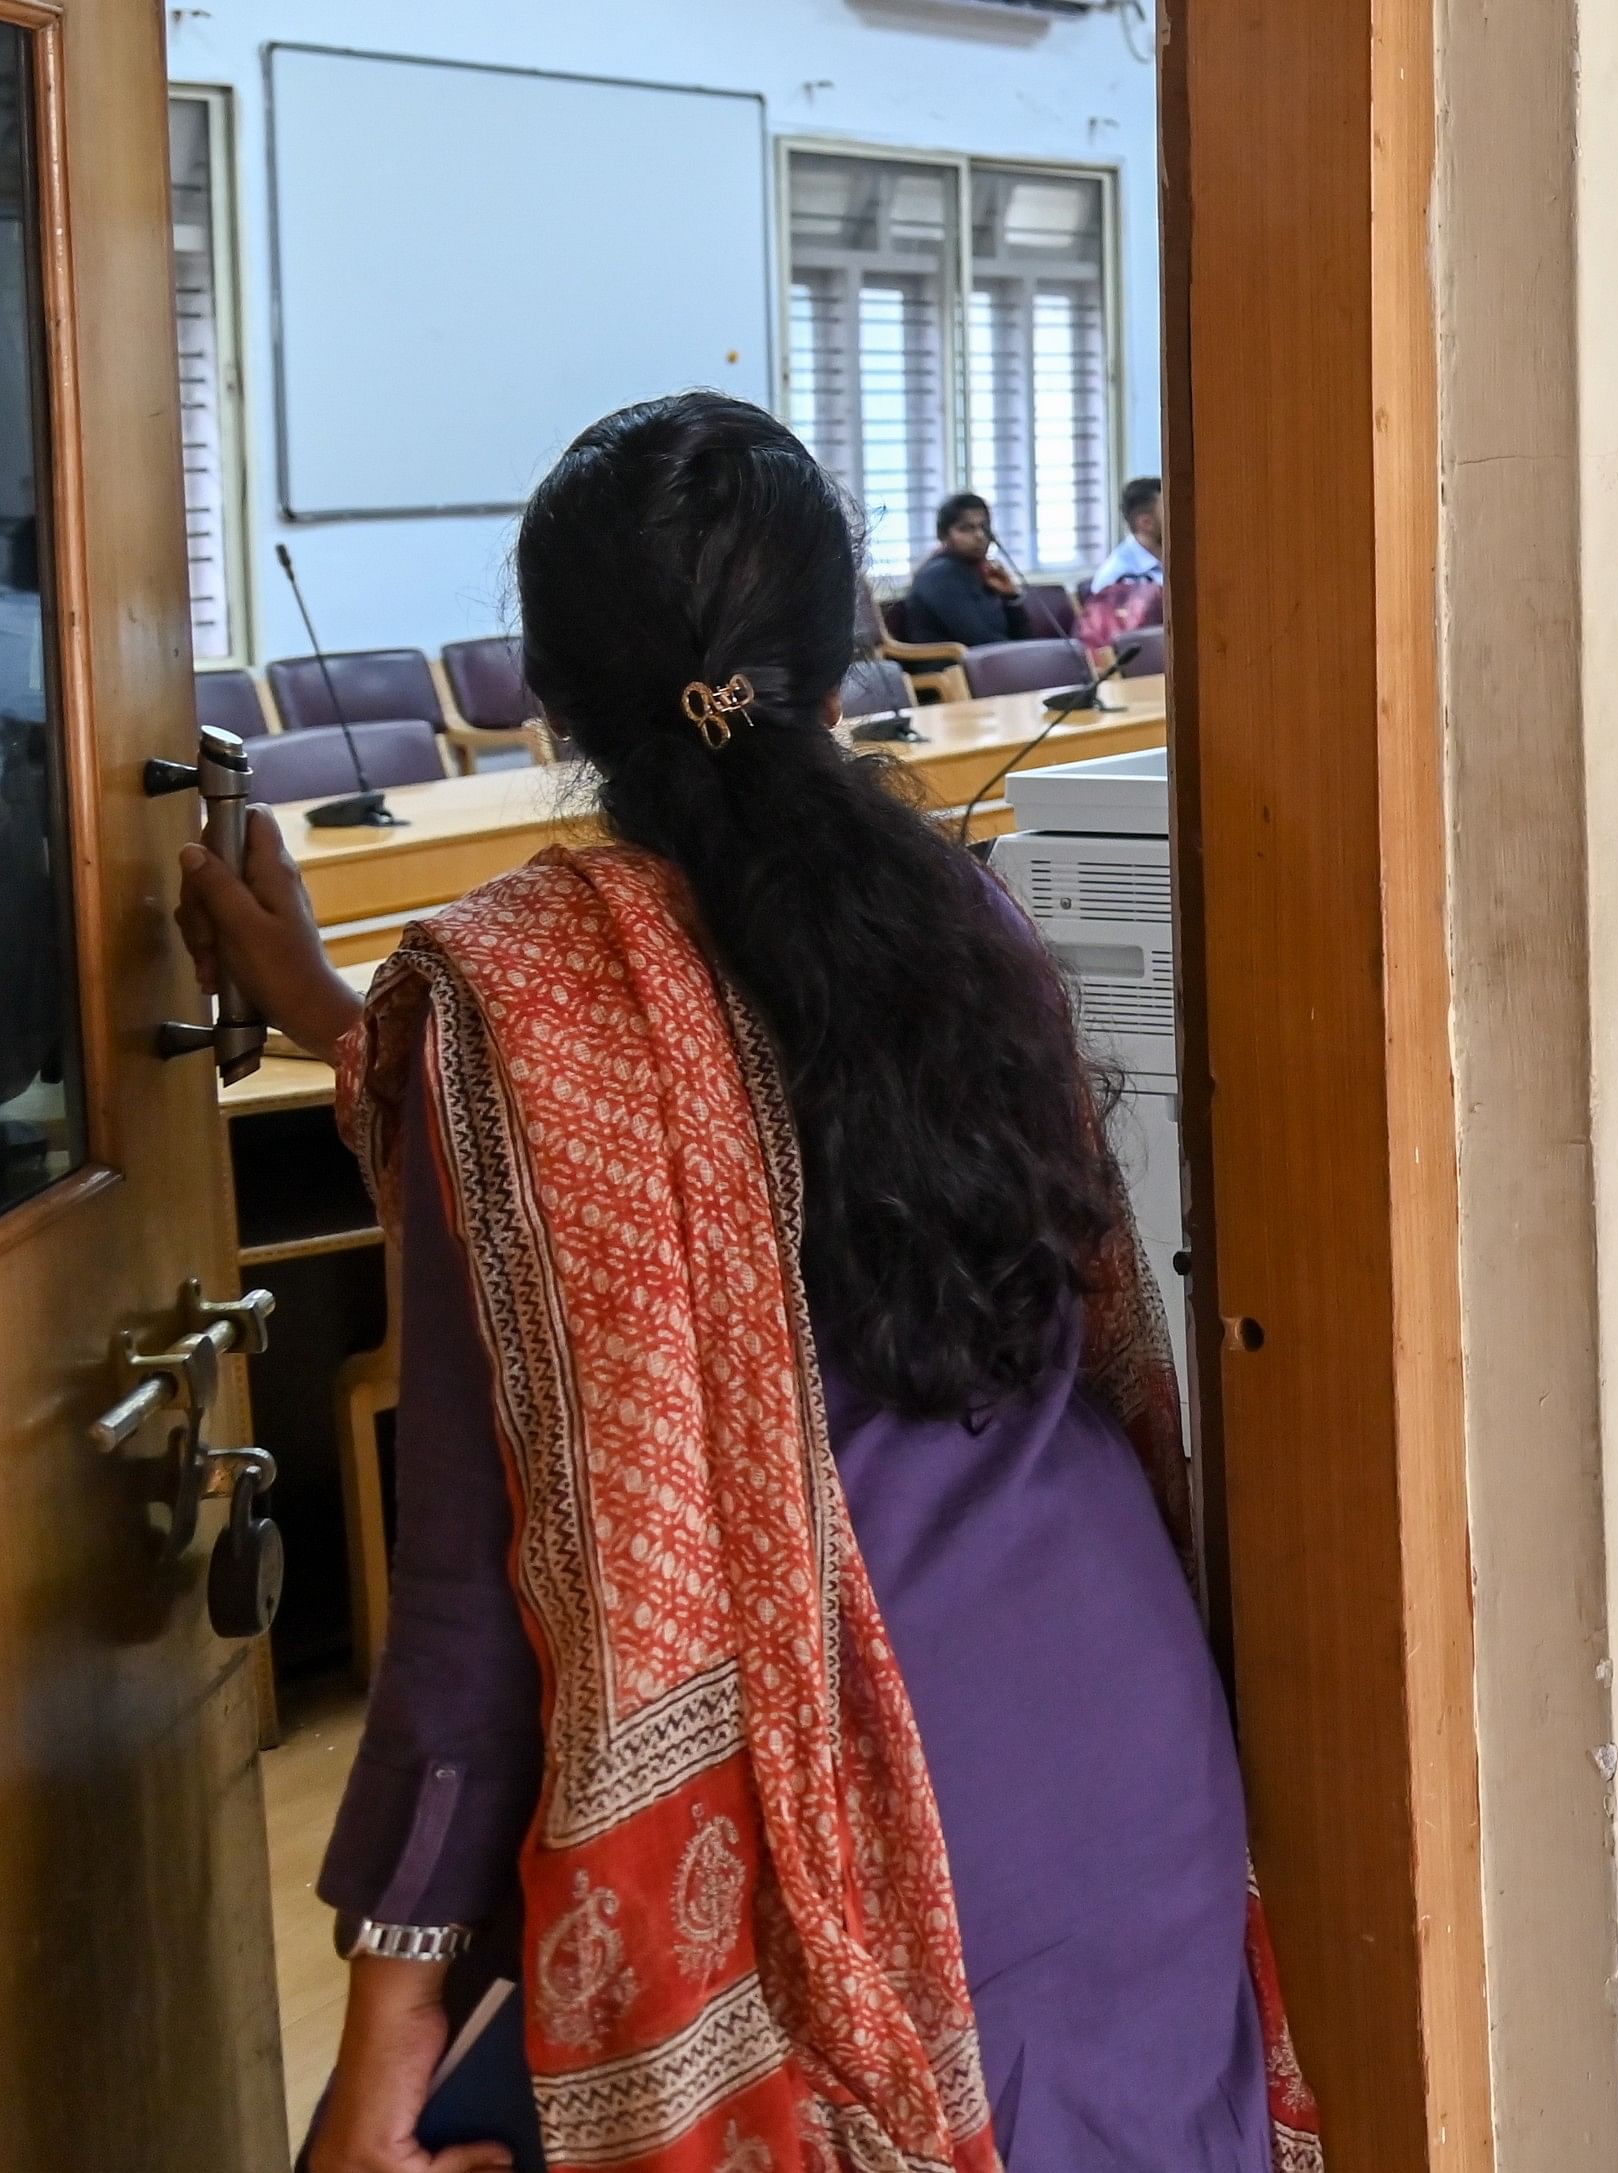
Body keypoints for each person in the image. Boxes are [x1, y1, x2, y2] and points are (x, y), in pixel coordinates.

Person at [177, 394, 1314, 2173]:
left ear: (548, 695)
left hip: (856, 1849)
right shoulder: (961, 921)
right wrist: (340, 1013)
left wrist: (378, 2066)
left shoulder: (521, 1012)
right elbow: (704, 1107)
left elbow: (476, 1604)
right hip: (1124, 1764)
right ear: (842, 642)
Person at [900, 489, 1031, 646]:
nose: (979, 535)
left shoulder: (982, 572)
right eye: (966, 528)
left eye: (984, 527)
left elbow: (1025, 638)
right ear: (943, 535)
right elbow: (978, 638)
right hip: (948, 667)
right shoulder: (939, 575)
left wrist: (1011, 597)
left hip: (988, 662)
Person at [1081, 476, 1168, 651]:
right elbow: (1106, 644)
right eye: (1170, 511)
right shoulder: (1115, 575)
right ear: (1146, 523)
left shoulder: (1182, 560)